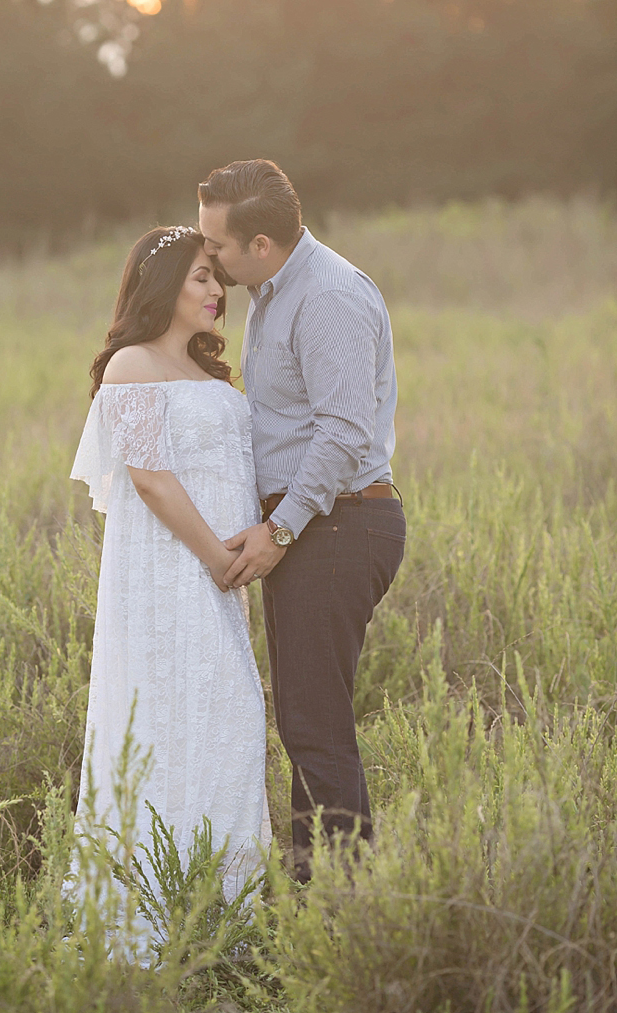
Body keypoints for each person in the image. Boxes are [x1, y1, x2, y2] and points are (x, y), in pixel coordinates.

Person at [197, 159, 404, 881]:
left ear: (259, 244)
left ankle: (333, 910)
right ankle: (345, 897)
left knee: (315, 729)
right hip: (318, 526)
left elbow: (343, 435)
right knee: (310, 724)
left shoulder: (328, 297)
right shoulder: (271, 290)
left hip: (338, 527)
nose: (207, 257)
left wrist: (280, 530)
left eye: (215, 245)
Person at [69, 225, 271, 920]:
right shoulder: (132, 364)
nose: (218, 291)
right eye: (202, 278)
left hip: (221, 579)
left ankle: (223, 910)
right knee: (168, 722)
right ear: (163, 288)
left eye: (218, 278)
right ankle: (152, 908)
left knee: (230, 718)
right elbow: (151, 481)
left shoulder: (209, 374)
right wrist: (219, 558)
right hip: (169, 577)